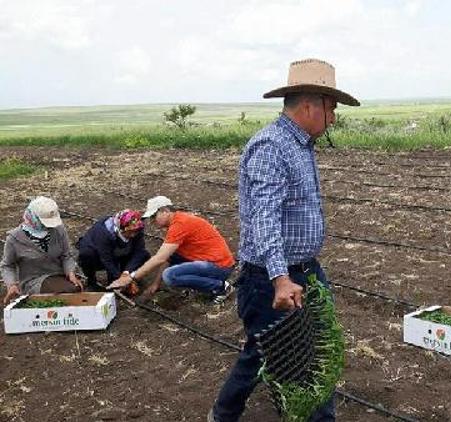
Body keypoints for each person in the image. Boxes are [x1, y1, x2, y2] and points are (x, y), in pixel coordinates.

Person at [209, 58, 360, 422]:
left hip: (304, 271)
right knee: (265, 353)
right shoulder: (271, 146)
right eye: (332, 109)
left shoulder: (300, 145)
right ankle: (225, 413)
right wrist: (280, 278)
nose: (334, 118)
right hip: (271, 278)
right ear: (310, 106)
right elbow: (265, 218)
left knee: (313, 348)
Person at [107, 196, 235, 303]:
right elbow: (168, 258)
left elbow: (159, 258)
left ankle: (221, 287)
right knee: (173, 260)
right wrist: (155, 285)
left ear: (165, 211)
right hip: (213, 261)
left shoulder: (180, 225)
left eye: (153, 216)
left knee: (170, 276)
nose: (152, 222)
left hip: (219, 266)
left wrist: (131, 277)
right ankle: (205, 282)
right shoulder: (178, 222)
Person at [2, 196, 82, 304]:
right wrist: (11, 284)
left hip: (59, 275)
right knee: (67, 292)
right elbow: (7, 265)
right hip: (34, 281)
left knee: (76, 288)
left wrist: (70, 272)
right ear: (33, 217)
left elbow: (66, 255)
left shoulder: (58, 230)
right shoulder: (14, 238)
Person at [76, 209, 150, 294]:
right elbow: (107, 259)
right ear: (121, 229)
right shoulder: (103, 232)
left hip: (120, 253)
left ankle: (127, 277)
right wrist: (119, 278)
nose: (133, 235)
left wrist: (127, 273)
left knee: (144, 255)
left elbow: (139, 251)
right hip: (99, 255)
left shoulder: (137, 228)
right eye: (129, 232)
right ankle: (91, 282)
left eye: (135, 232)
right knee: (87, 254)